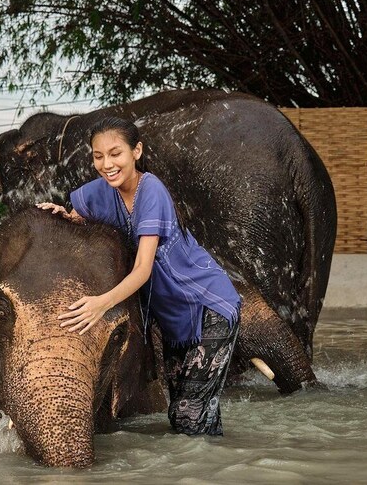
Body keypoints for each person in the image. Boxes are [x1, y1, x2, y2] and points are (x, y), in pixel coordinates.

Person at [37, 116, 242, 436]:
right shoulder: (98, 191)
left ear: (136, 151)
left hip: (207, 306)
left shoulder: (152, 191)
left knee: (189, 416)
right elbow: (78, 217)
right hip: (175, 320)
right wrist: (63, 217)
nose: (107, 164)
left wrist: (101, 304)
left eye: (115, 153)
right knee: (184, 415)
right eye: (98, 156)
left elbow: (144, 270)